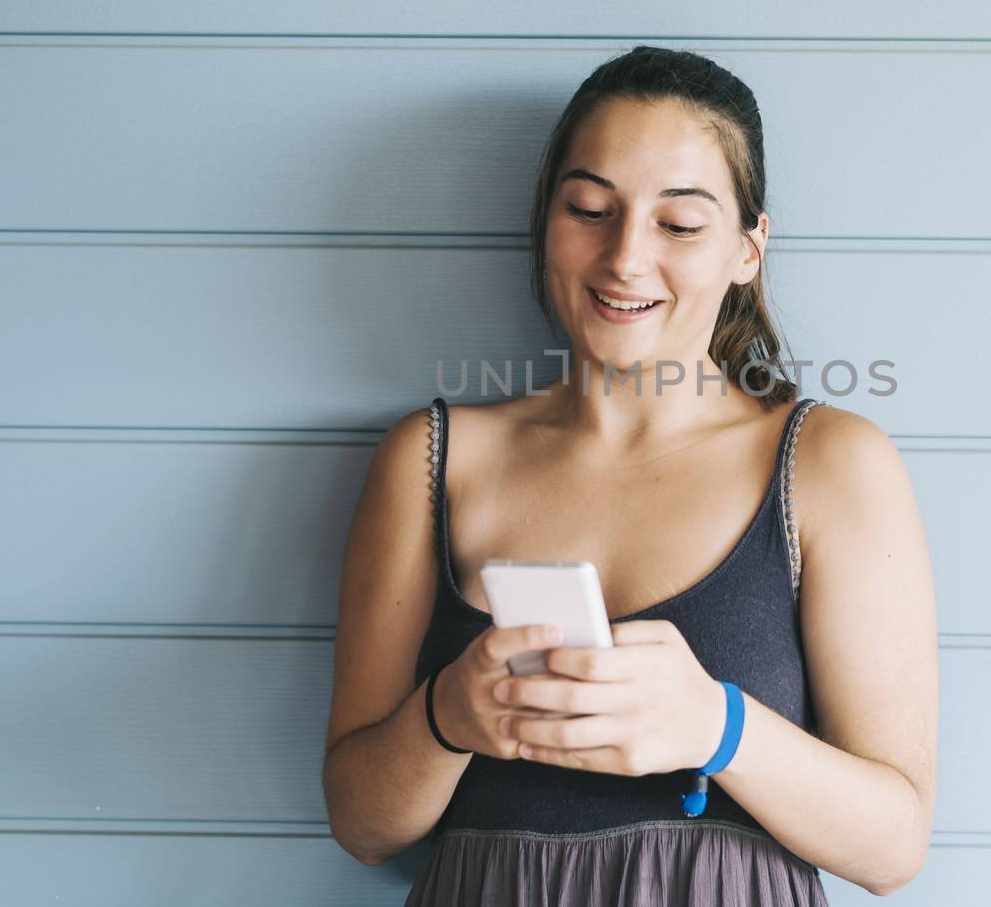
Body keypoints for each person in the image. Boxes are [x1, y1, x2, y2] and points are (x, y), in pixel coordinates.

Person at [322, 46, 939, 903]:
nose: (623, 258)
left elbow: (894, 844)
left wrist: (718, 728)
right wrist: (447, 716)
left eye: (679, 224)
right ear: (548, 223)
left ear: (748, 250)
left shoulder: (831, 464)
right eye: (588, 209)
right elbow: (360, 823)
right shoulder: (431, 458)